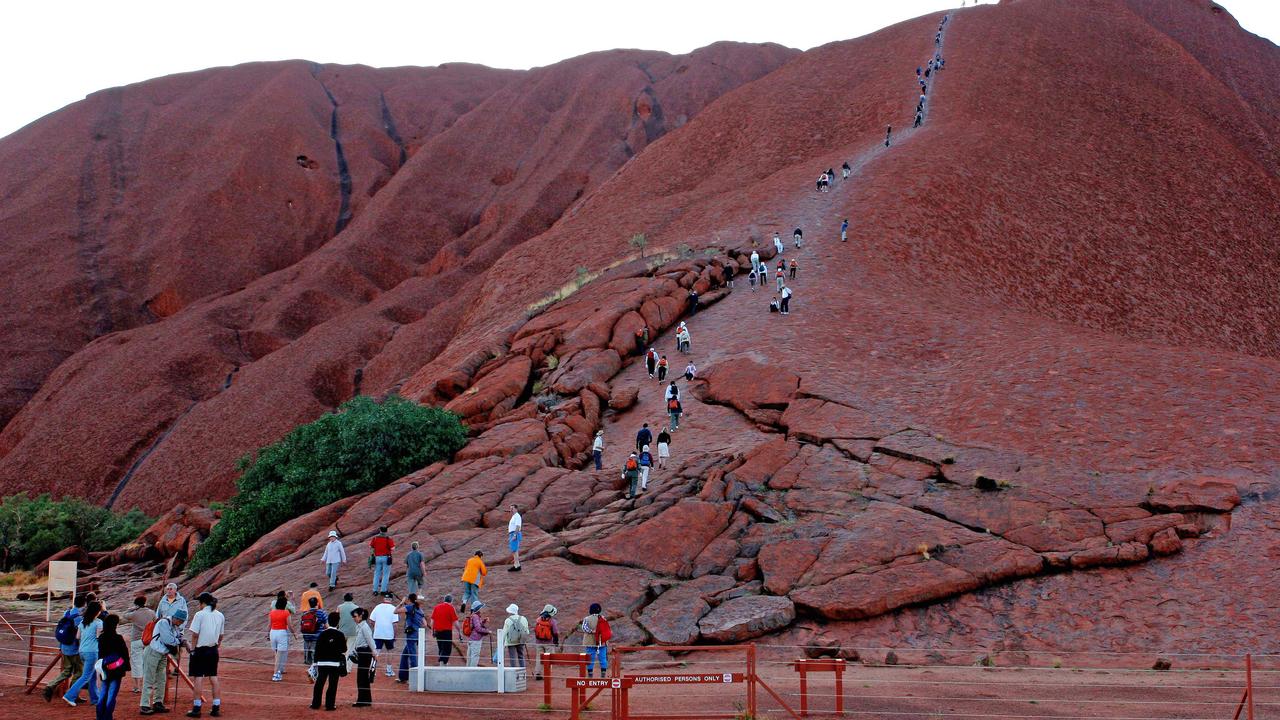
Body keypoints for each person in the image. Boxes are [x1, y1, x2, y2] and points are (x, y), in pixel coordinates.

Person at [185, 593, 224, 718]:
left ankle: (197, 708)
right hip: (213, 650)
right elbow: (221, 635)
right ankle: (216, 707)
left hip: (200, 650)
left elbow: (195, 635)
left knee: (198, 677)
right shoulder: (220, 615)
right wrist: (217, 645)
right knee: (213, 677)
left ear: (202, 603)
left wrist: (193, 649)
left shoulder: (199, 614)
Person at [140, 608, 186, 715]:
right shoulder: (164, 623)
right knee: (149, 678)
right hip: (153, 651)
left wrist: (179, 640)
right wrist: (180, 642)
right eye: (181, 621)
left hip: (162, 654)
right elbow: (168, 640)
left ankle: (158, 702)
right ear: (176, 618)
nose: (181, 624)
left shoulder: (173, 626)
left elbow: (178, 637)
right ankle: (144, 705)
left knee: (161, 679)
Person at [45, 595, 86, 702]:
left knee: (67, 671)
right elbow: (80, 635)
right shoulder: (79, 618)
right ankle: (72, 695)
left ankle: (50, 685)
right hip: (75, 649)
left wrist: (60, 646)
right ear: (84, 604)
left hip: (64, 647)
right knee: (79, 672)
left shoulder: (67, 613)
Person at [63, 600, 102, 707]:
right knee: (86, 676)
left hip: (82, 651)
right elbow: (99, 637)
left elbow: (78, 637)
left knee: (92, 676)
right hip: (92, 651)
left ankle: (95, 699)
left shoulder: (83, 622)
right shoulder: (98, 623)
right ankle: (69, 695)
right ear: (97, 611)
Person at [96, 614, 130, 720]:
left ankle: (100, 716)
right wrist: (126, 667)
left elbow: (100, 654)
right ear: (115, 624)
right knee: (111, 695)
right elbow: (124, 653)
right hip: (116, 669)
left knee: (103, 692)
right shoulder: (118, 638)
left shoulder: (101, 638)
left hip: (104, 667)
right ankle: (107, 717)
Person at [310, 615, 347, 711]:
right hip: (335, 663)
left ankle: (315, 704)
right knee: (332, 684)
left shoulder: (322, 634)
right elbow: (344, 649)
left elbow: (317, 649)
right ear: (338, 623)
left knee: (319, 683)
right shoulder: (340, 634)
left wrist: (315, 662)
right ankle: (330, 705)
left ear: (328, 622)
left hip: (322, 663)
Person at [125, 595, 153, 695]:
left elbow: (125, 615)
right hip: (148, 639)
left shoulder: (134, 614)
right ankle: (146, 685)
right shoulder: (151, 613)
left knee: (136, 662)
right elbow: (156, 620)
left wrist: (132, 608)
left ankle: (137, 686)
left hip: (136, 639)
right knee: (147, 662)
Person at [350, 607, 377, 707]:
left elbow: (370, 640)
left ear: (361, 616)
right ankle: (366, 700)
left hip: (365, 653)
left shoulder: (364, 627)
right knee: (363, 677)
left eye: (355, 616)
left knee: (362, 677)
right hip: (362, 652)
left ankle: (362, 700)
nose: (353, 618)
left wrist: (375, 652)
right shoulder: (360, 626)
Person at [574, 604, 609, 678]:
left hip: (590, 642)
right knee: (603, 658)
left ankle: (590, 675)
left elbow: (584, 628)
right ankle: (603, 675)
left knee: (590, 658)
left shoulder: (587, 619)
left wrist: (592, 631)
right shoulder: (603, 618)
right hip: (602, 641)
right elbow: (607, 629)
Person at [369, 597, 398, 679]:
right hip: (389, 634)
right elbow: (395, 624)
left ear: (384, 599)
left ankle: (372, 670)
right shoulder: (393, 608)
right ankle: (389, 670)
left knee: (376, 652)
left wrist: (376, 627)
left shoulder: (377, 607)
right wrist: (395, 635)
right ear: (391, 599)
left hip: (378, 634)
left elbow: (371, 620)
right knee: (390, 651)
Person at [398, 594, 425, 681]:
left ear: (409, 600)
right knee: (405, 655)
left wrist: (401, 603)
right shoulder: (419, 609)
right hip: (417, 634)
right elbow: (424, 623)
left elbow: (395, 611)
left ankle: (415, 678)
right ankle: (403, 676)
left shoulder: (409, 607)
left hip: (411, 634)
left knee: (412, 655)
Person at [428, 594, 458, 667]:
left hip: (438, 631)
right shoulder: (451, 608)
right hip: (447, 631)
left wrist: (433, 631)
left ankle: (442, 663)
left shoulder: (437, 607)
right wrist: (459, 631)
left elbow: (432, 621)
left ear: (444, 600)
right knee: (447, 648)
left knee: (441, 647)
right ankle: (443, 662)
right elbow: (455, 622)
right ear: (451, 601)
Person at [531, 605, 560, 681]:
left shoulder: (538, 620)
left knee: (539, 658)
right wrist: (556, 642)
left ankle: (538, 673)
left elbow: (535, 630)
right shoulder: (552, 621)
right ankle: (547, 674)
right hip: (549, 643)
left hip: (538, 643)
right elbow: (555, 633)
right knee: (549, 659)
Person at [268, 596, 293, 682]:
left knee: (276, 653)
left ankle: (278, 671)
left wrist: (267, 634)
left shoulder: (272, 612)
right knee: (279, 654)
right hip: (282, 633)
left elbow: (269, 625)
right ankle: (275, 674)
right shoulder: (286, 613)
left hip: (273, 632)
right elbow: (289, 625)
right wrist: (294, 633)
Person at [300, 595, 327, 666]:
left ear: (309, 604)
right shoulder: (321, 613)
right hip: (317, 637)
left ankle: (308, 664)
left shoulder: (305, 614)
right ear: (317, 603)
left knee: (308, 656)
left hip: (306, 637)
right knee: (315, 655)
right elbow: (326, 626)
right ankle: (314, 667)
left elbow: (302, 626)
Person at [461, 601, 489, 667]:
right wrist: (487, 631)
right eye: (481, 608)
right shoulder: (476, 616)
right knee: (475, 656)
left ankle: (468, 670)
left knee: (470, 656)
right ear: (478, 609)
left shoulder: (474, 616)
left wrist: (483, 621)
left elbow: (476, 625)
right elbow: (478, 628)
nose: (482, 609)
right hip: (476, 640)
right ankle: (473, 671)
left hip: (472, 639)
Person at [502, 604, 530, 669]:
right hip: (521, 640)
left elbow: (504, 633)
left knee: (512, 657)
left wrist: (502, 643)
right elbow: (527, 631)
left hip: (511, 642)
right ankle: (523, 671)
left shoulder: (507, 620)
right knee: (521, 656)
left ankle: (513, 672)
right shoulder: (523, 619)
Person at [369, 527, 395, 597]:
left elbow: (370, 547)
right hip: (386, 557)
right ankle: (383, 590)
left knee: (377, 574)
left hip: (377, 557)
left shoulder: (375, 538)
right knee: (386, 574)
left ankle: (375, 590)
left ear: (380, 530)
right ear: (386, 531)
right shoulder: (388, 538)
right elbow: (393, 548)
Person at [507, 505, 523, 572]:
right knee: (514, 550)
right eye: (510, 508)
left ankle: (516, 566)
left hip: (515, 533)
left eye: (512, 508)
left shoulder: (517, 516)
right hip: (512, 534)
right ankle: (517, 565)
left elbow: (518, 526)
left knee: (515, 550)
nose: (511, 510)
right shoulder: (514, 516)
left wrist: (514, 535)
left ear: (516, 509)